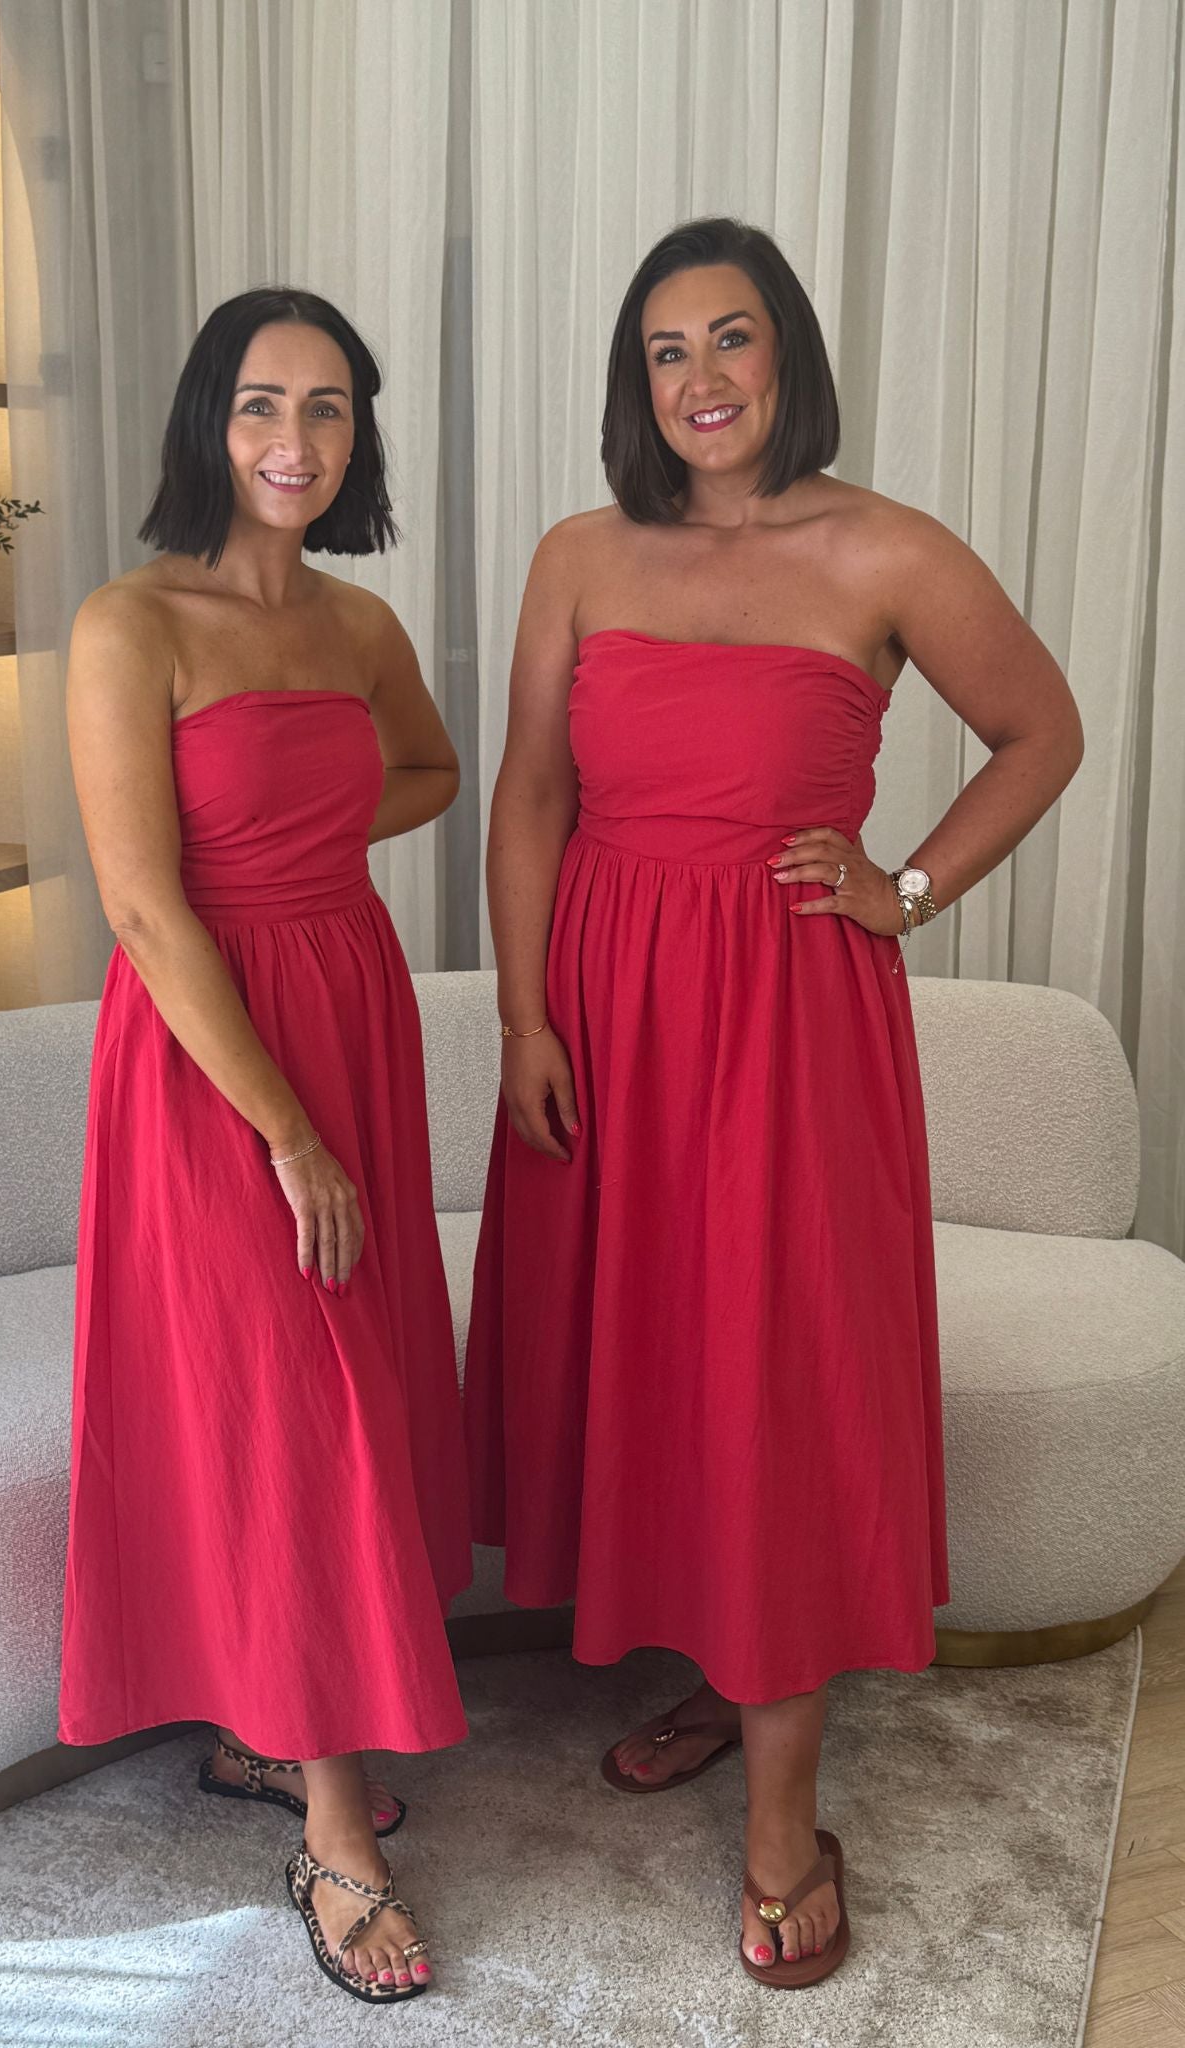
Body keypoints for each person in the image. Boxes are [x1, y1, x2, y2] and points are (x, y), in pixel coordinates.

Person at [464, 216, 1084, 1989]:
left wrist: (907, 886)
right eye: (665, 351)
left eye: (729, 338)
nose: (701, 379)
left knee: (776, 1378)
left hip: (786, 1027)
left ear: (785, 352)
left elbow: (1040, 729)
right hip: (606, 1011)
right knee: (663, 1358)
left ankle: (783, 1826)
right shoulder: (580, 553)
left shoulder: (882, 548)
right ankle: (724, 1675)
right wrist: (522, 1014)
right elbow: (528, 797)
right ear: (635, 383)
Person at [60, 285, 471, 2006]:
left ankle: (271, 1720)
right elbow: (144, 906)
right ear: (205, 424)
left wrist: (311, 829)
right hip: (210, 1051)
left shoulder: (359, 625)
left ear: (357, 434)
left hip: (345, 999)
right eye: (257, 404)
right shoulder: (128, 622)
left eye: (325, 407)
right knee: (286, 1394)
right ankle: (330, 1831)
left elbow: (431, 770)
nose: (291, 440)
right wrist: (288, 1132)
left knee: (344, 1373)